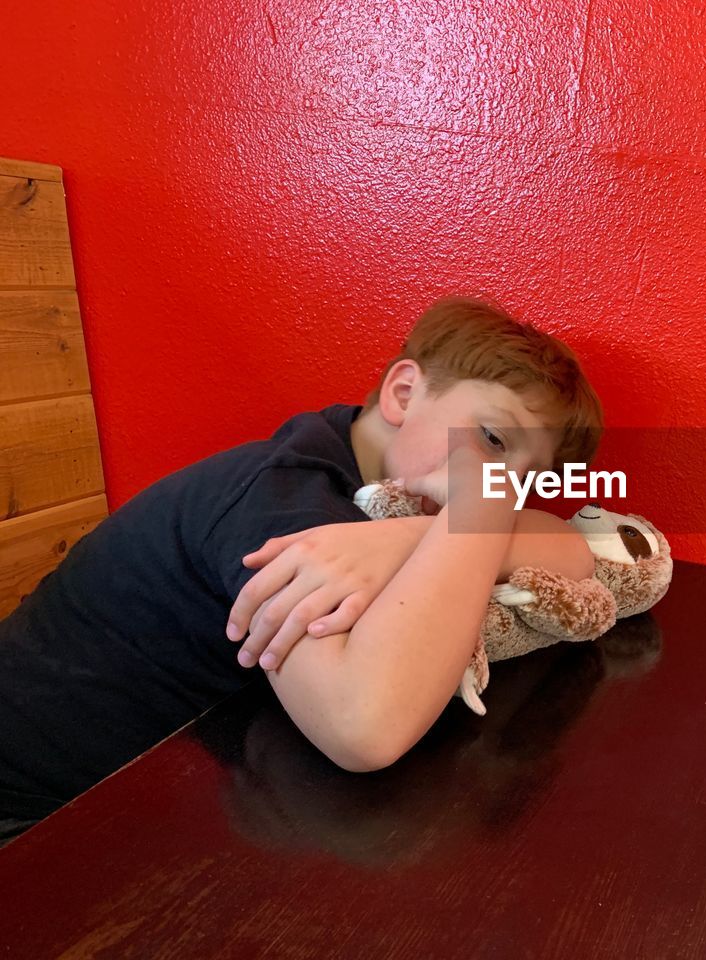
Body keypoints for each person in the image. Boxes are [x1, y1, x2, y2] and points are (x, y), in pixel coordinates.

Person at [0, 296, 603, 844]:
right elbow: (366, 727)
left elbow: (577, 553)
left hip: (157, 788)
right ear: (402, 393)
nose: (498, 485)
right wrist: (479, 514)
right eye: (493, 439)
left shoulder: (375, 485)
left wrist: (409, 536)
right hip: (34, 820)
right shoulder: (283, 499)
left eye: (520, 482)